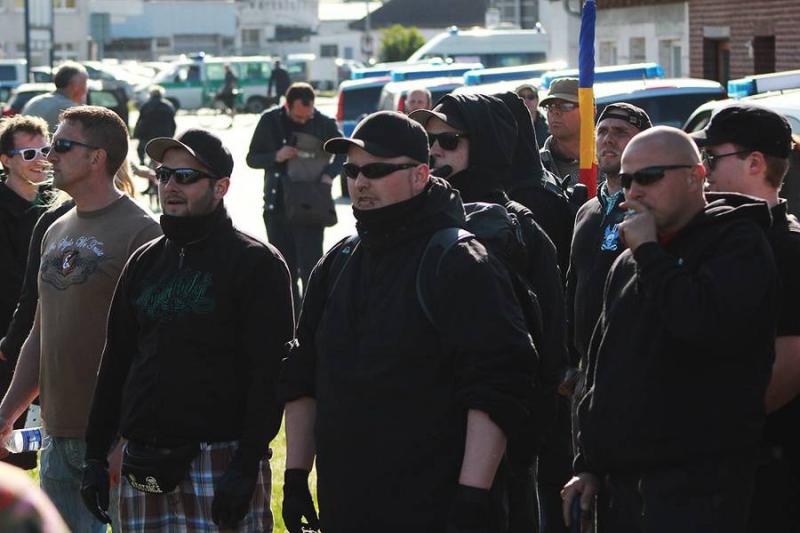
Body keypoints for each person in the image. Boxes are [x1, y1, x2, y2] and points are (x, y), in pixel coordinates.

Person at [280, 111, 535, 533]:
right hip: (348, 502)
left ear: (420, 175)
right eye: (352, 170)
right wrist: (294, 477)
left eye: (377, 170)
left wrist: (473, 496)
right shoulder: (338, 261)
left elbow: (498, 386)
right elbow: (302, 374)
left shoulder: (460, 260)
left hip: (436, 505)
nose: (361, 182)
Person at [563, 126, 778, 533]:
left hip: (697, 490)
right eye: (626, 181)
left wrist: (648, 252)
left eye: (648, 176)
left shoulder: (737, 244)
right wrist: (587, 464)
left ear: (696, 176)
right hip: (624, 491)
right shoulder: (629, 262)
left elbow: (701, 325)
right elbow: (602, 368)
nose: (634, 192)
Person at [80, 128, 293, 532]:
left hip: (221, 458)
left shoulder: (256, 263)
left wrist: (246, 465)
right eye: (164, 175)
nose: (170, 186)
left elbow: (270, 375)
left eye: (186, 177)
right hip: (144, 458)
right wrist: (95, 455)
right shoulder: (144, 261)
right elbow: (117, 361)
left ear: (221, 186)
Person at [0, 105, 162, 533]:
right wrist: (6, 413)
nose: (50, 155)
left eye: (62, 145)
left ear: (97, 158)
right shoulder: (54, 228)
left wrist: (127, 439)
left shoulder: (142, 233)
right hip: (58, 434)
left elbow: (156, 349)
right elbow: (40, 331)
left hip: (116, 439)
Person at [411, 94, 566, 533]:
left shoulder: (522, 230)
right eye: (427, 139)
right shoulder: (411, 219)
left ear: (486, 145)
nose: (434, 149)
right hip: (420, 442)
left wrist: (519, 443)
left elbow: (548, 346)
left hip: (499, 448)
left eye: (448, 139)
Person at [691, 103, 800, 532]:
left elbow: (789, 363)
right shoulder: (713, 236)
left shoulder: (788, 248)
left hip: (768, 460)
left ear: (755, 163)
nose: (703, 170)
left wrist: (715, 437)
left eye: (713, 158)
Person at [565, 103, 651, 394]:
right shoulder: (586, 211)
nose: (608, 139)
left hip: (634, 375)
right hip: (586, 374)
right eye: (601, 131)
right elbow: (573, 285)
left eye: (620, 132)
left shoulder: (653, 211)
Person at [246, 82, 344, 305]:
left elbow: (343, 153)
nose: (303, 121)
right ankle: (290, 323)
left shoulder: (323, 122)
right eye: (298, 117)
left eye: (307, 117)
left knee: (312, 269)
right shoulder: (270, 121)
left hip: (311, 205)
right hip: (277, 205)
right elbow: (252, 158)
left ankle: (312, 322)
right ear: (287, 105)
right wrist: (276, 156)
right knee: (283, 270)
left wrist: (329, 175)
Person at [0, 115, 54, 472]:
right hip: (6, 343)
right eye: (29, 153)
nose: (41, 160)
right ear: (5, 159)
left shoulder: (59, 205)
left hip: (49, 339)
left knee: (44, 447)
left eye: (47, 150)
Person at [21, 62, 89, 133]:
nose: (86, 90)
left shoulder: (35, 101)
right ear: (74, 85)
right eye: (85, 84)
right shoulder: (69, 109)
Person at [539, 78, 581, 188]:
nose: (555, 112)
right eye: (550, 106)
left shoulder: (611, 159)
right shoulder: (535, 166)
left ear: (591, 111)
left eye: (566, 105)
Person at [132, 86, 176, 166]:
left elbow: (140, 121)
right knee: (163, 151)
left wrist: (137, 134)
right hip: (164, 134)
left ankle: (142, 162)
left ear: (150, 95)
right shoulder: (168, 106)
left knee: (141, 149)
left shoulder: (145, 106)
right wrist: (171, 134)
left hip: (147, 134)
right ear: (161, 94)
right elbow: (172, 123)